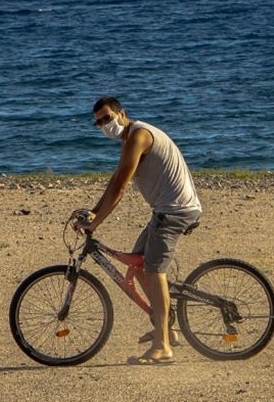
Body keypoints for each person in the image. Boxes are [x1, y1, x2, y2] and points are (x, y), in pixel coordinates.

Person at [76, 96, 202, 365]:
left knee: (154, 270)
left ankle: (163, 346)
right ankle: (166, 328)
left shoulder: (139, 135)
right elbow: (116, 179)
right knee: (139, 265)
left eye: (107, 118)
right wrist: (94, 212)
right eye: (98, 123)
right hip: (165, 209)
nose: (103, 125)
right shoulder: (128, 140)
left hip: (176, 210)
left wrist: (96, 222)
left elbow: (121, 187)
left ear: (123, 114)